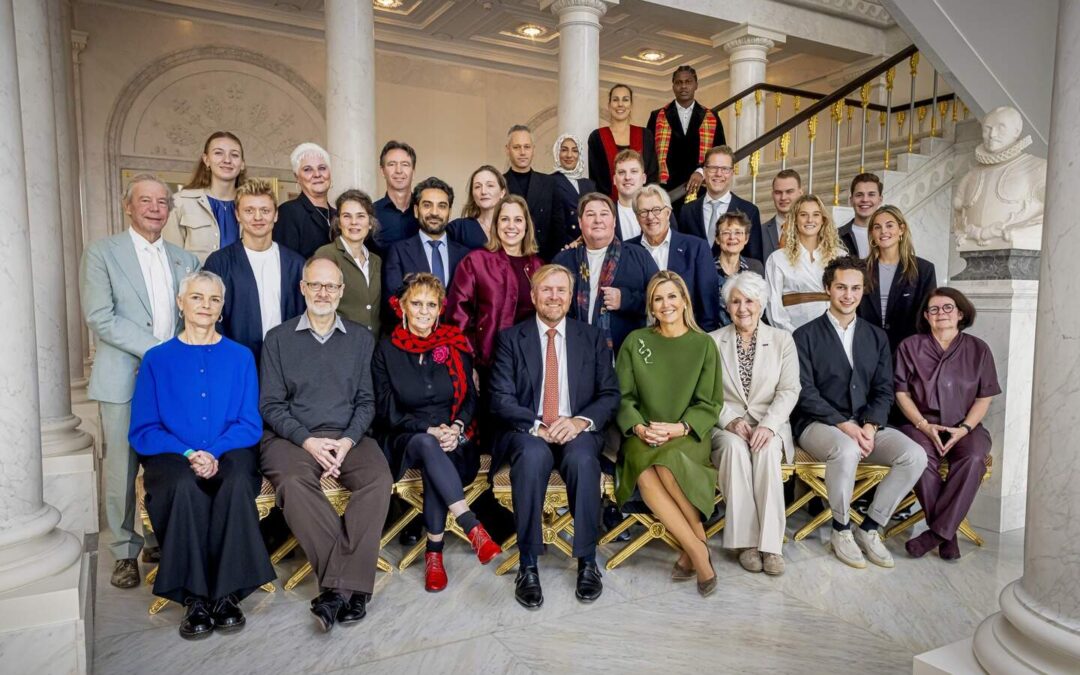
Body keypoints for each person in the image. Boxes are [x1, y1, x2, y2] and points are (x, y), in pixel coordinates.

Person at [129, 270, 274, 640]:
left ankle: (227, 594)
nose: (205, 306)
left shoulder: (240, 357)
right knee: (181, 486)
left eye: (213, 299)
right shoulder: (157, 359)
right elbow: (144, 428)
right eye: (196, 297)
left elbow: (249, 422)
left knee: (238, 480)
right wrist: (189, 452)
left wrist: (214, 451)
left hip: (229, 448)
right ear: (181, 303)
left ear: (222, 308)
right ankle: (194, 597)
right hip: (171, 453)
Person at [259, 257, 393, 633]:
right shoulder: (278, 339)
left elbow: (367, 402)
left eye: (330, 286)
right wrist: (308, 441)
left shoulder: (360, 339)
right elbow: (270, 404)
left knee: (378, 480)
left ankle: (334, 589)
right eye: (315, 285)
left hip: (348, 434)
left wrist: (348, 440)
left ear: (341, 291)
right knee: (293, 482)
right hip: (292, 437)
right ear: (302, 288)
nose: (323, 292)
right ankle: (350, 586)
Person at [80, 174, 200, 589]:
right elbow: (100, 315)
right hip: (124, 377)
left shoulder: (187, 260)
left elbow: (195, 317)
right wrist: (157, 351)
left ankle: (158, 539)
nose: (154, 208)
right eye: (144, 201)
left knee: (167, 460)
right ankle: (124, 552)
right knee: (121, 466)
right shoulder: (101, 253)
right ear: (127, 206)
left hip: (174, 382)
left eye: (162, 202)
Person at [489, 264, 620, 608]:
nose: (554, 297)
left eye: (561, 290)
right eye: (546, 290)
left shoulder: (590, 337)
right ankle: (528, 563)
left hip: (577, 429)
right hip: (530, 429)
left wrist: (578, 422)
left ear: (570, 297)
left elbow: (609, 394)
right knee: (531, 458)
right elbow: (500, 398)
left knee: (581, 459)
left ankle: (587, 561)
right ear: (533, 296)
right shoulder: (510, 339)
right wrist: (538, 425)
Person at [792, 256, 927, 570]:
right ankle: (840, 529)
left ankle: (869, 528)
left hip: (866, 425)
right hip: (818, 424)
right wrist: (845, 426)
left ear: (863, 290)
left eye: (855, 288)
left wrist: (870, 425)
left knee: (914, 455)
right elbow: (804, 391)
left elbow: (883, 389)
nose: (848, 295)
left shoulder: (876, 336)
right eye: (841, 287)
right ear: (828, 289)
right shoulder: (804, 335)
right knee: (846, 448)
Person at [372, 274, 502, 592]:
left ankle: (434, 555)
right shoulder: (385, 350)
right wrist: (429, 428)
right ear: (402, 307)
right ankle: (470, 525)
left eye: (431, 304)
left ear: (440, 309)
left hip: (454, 439)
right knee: (427, 443)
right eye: (417, 304)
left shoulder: (453, 343)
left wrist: (456, 428)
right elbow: (387, 409)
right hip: (404, 437)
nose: (424, 311)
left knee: (436, 455)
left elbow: (471, 398)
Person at [615, 270, 724, 597]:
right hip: (642, 433)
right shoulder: (636, 342)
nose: (666, 304)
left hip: (687, 434)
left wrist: (679, 427)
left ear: (684, 300)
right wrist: (638, 427)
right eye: (658, 298)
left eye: (672, 296)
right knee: (647, 470)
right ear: (651, 305)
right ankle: (699, 551)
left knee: (667, 464)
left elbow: (710, 402)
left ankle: (693, 552)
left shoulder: (704, 344)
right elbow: (623, 396)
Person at [894, 288, 1000, 561]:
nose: (941, 313)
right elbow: (901, 393)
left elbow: (983, 397)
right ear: (926, 317)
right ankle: (948, 534)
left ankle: (935, 534)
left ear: (961, 313)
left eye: (947, 308)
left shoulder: (979, 349)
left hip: (966, 427)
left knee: (975, 457)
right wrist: (922, 425)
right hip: (921, 426)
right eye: (934, 309)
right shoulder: (909, 346)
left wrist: (964, 429)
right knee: (919, 457)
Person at [708, 272, 799, 576]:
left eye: (749, 300)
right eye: (736, 301)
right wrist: (730, 420)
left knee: (766, 450)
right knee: (734, 450)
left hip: (769, 424)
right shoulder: (712, 341)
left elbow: (789, 390)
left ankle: (771, 545)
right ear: (727, 306)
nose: (742, 307)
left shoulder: (782, 340)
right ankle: (746, 543)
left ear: (761, 304)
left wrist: (769, 425)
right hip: (727, 427)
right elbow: (705, 394)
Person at [203, 179, 305, 368]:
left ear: (275, 215)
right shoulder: (219, 262)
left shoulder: (296, 263)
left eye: (265, 211)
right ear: (237, 215)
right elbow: (210, 318)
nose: (258, 217)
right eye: (249, 211)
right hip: (234, 364)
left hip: (287, 364)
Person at [446, 195, 544, 378]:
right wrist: (470, 362)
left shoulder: (539, 267)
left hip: (530, 366)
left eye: (518, 220)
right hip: (487, 365)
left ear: (526, 226)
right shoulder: (475, 262)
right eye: (504, 219)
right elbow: (458, 317)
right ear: (496, 224)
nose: (511, 226)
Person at [553, 193, 659, 353]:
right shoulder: (563, 261)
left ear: (614, 221)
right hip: (574, 353)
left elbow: (660, 299)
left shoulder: (638, 256)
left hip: (628, 354)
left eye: (604, 214)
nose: (598, 220)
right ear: (580, 223)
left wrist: (625, 299)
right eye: (590, 215)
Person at [626, 183, 720, 331]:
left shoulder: (696, 248)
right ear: (637, 217)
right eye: (643, 212)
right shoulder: (626, 251)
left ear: (668, 213)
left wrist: (702, 340)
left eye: (656, 210)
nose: (651, 217)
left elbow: (708, 305)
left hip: (687, 340)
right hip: (642, 342)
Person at [857, 205, 937, 353]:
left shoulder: (924, 269)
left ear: (901, 229)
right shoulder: (859, 269)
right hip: (866, 349)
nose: (883, 231)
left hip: (909, 351)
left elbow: (929, 315)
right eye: (877, 227)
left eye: (889, 225)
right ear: (872, 234)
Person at [647, 65, 726, 210]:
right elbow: (649, 155)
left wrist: (700, 171)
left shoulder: (711, 117)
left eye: (688, 82)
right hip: (667, 190)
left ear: (696, 85)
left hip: (700, 189)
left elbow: (720, 153)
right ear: (673, 86)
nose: (683, 86)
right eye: (679, 82)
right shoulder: (657, 116)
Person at [765, 194, 846, 332]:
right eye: (803, 214)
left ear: (823, 220)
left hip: (834, 331)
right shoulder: (777, 258)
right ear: (795, 219)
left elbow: (847, 296)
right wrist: (793, 335)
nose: (810, 220)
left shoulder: (840, 256)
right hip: (792, 334)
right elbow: (773, 305)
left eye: (816, 214)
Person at [163, 131, 247, 262]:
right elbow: (172, 260)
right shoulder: (180, 202)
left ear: (242, 164)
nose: (227, 160)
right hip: (197, 281)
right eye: (218, 153)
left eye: (234, 155)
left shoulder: (253, 206)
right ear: (206, 160)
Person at [384, 177, 468, 303]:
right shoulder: (398, 252)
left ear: (449, 212)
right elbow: (394, 300)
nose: (434, 212)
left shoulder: (465, 255)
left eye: (442, 206)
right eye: (427, 205)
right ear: (416, 211)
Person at [314, 189, 382, 335]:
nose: (354, 222)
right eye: (347, 216)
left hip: (373, 348)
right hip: (340, 346)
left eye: (361, 216)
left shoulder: (377, 261)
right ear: (338, 222)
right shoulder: (326, 255)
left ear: (370, 223)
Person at [677, 146, 763, 262]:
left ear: (732, 172)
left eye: (725, 169)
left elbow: (754, 260)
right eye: (713, 168)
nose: (718, 174)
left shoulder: (749, 211)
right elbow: (681, 255)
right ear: (705, 171)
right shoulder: (687, 211)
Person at [504, 124, 566, 259]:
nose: (522, 152)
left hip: (544, 260)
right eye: (516, 147)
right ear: (507, 150)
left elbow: (558, 229)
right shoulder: (499, 184)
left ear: (533, 149)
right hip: (508, 259)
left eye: (527, 147)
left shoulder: (550, 183)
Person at [588, 84, 658, 199]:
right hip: (608, 206)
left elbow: (652, 175)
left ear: (631, 105)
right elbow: (595, 179)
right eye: (615, 100)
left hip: (641, 206)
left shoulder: (646, 135)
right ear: (609, 105)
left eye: (625, 100)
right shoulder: (597, 137)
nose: (620, 104)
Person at [273, 142, 335, 258]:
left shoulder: (339, 215)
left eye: (322, 168)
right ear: (297, 177)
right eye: (307, 170)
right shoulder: (288, 213)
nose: (317, 174)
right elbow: (287, 264)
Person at [713, 212, 766, 326]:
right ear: (717, 239)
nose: (732, 237)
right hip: (714, 335)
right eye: (726, 233)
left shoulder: (755, 267)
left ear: (746, 239)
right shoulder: (706, 269)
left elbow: (762, 305)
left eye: (738, 232)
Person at [373, 140, 421, 254]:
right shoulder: (370, 213)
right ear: (382, 171)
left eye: (405, 164)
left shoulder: (425, 210)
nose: (398, 171)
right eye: (392, 164)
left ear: (413, 172)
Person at [446, 165, 507, 251]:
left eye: (490, 185)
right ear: (472, 194)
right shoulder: (458, 228)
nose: (483, 191)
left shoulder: (514, 227)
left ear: (502, 193)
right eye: (477, 187)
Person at [551, 134, 597, 245]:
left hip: (589, 243)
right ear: (557, 153)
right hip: (563, 246)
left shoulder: (589, 185)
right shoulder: (549, 182)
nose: (569, 155)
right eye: (564, 150)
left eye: (575, 150)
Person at [837, 173, 884, 258]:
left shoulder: (889, 235)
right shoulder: (836, 237)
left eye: (871, 194)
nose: (865, 200)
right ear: (851, 200)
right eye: (859, 195)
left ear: (880, 200)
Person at [761, 170, 803, 260]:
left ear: (800, 193)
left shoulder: (812, 230)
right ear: (772, 195)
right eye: (778, 192)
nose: (783, 197)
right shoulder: (760, 232)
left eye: (789, 191)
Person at [612, 149, 647, 241]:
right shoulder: (605, 213)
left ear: (643, 178)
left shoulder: (660, 212)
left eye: (634, 171)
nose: (627, 177)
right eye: (622, 172)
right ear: (615, 180)